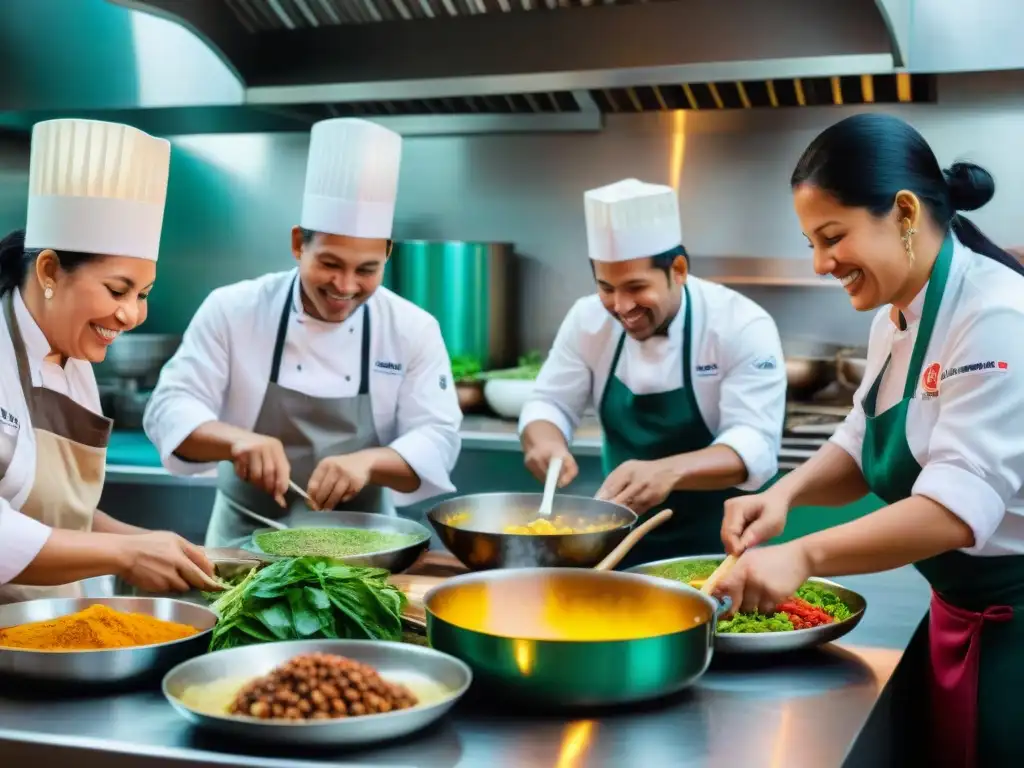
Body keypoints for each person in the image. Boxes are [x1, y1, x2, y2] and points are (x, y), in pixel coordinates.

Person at [717, 113, 1024, 767]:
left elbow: (954, 510)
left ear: (905, 212)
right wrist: (785, 494)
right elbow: (859, 439)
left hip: (1016, 632)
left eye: (832, 237)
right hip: (959, 614)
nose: (821, 263)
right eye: (810, 242)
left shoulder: (995, 316)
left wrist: (800, 556)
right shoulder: (897, 316)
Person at [143, 118, 463, 549]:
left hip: (366, 553)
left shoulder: (411, 328)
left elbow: (438, 438)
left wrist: (369, 463)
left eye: (367, 269)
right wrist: (236, 442)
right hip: (244, 548)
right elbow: (169, 407)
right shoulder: (234, 309)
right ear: (298, 244)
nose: (345, 286)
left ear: (387, 254)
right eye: (330, 264)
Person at [0, 118, 219, 603]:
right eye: (118, 290)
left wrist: (140, 542)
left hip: (49, 627)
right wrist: (124, 556)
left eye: (143, 294)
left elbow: (58, 514)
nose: (132, 314)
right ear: (50, 269)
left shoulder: (74, 353)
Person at [518, 178, 787, 567]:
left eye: (636, 287)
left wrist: (670, 471)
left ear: (678, 270)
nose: (621, 305)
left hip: (720, 548)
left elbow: (756, 444)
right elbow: (549, 402)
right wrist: (546, 442)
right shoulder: (587, 320)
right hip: (616, 544)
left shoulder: (739, 323)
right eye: (606, 287)